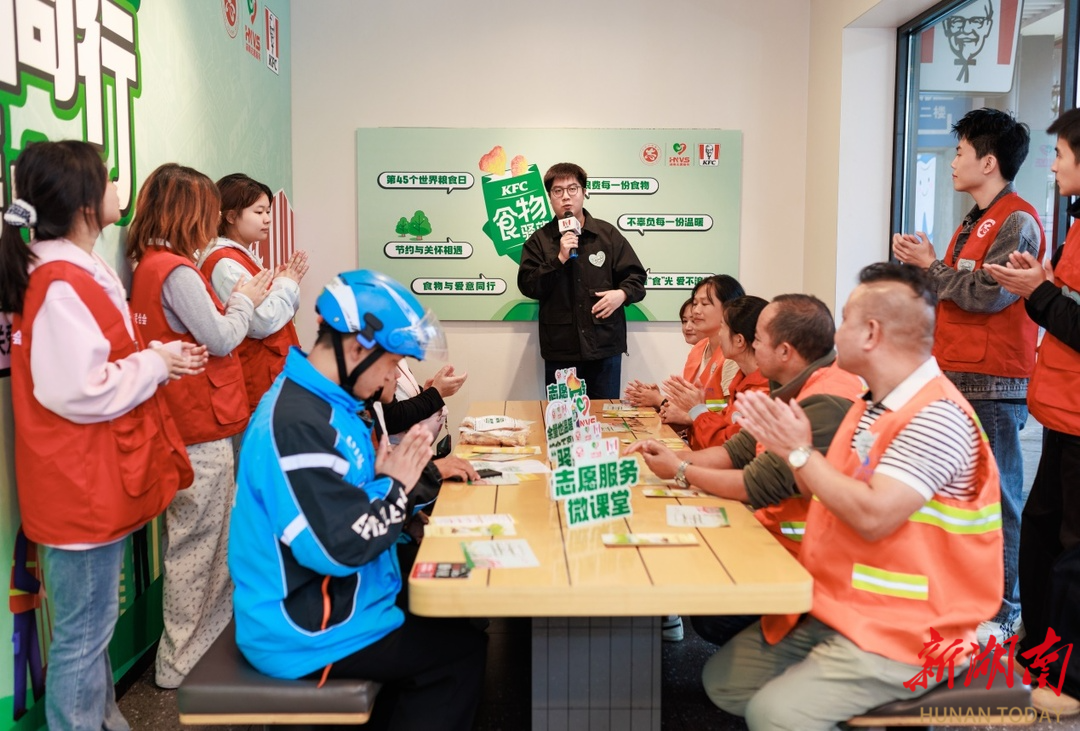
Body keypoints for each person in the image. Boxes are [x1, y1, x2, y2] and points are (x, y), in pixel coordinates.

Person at [703, 263, 1003, 730]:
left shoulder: (936, 416)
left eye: (844, 320)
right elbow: (823, 489)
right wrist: (793, 452)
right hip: (844, 608)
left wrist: (799, 454)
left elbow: (874, 516)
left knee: (772, 715)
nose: (833, 334)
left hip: (912, 630)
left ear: (871, 334)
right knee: (725, 684)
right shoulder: (871, 405)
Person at [0, 140, 201, 730]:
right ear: (86, 200)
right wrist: (155, 363)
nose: (119, 188)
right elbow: (78, 390)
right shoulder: (59, 281)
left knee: (90, 633)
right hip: (80, 485)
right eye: (110, 179)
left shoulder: (66, 270)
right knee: (83, 639)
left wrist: (154, 357)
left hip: (86, 478)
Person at [229, 270, 487, 730]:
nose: (392, 378)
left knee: (457, 619)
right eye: (393, 363)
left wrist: (400, 492)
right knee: (458, 655)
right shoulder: (297, 422)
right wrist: (397, 488)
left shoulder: (334, 407)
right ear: (358, 349)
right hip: (305, 628)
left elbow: (353, 496)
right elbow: (338, 546)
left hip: (346, 595)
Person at [627, 295, 862, 648]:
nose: (753, 345)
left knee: (710, 611)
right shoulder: (791, 384)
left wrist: (681, 469)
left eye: (759, 340)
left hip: (807, 564)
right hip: (775, 534)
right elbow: (735, 451)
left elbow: (755, 483)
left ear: (784, 351)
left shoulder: (824, 399)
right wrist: (667, 457)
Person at [893, 107, 1043, 647]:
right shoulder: (972, 220)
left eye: (959, 152)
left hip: (993, 382)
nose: (953, 161)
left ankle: (1004, 611)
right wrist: (928, 269)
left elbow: (989, 294)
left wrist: (932, 267)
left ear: (988, 161)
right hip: (955, 374)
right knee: (955, 497)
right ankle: (963, 599)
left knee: (999, 501)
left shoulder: (1018, 220)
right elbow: (956, 288)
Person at [128, 163, 271, 688]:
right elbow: (222, 337)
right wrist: (245, 300)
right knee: (200, 546)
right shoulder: (177, 271)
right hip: (199, 425)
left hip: (180, 421)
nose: (213, 222)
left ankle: (201, 650)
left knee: (201, 541)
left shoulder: (147, 266)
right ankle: (180, 661)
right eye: (209, 211)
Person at [985, 107, 1080, 717]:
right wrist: (1043, 282)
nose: (1054, 165)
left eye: (1063, 155)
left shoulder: (1019, 216)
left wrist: (1037, 293)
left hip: (1073, 416)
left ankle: (1069, 682)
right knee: (1044, 540)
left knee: (1071, 553)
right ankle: (1039, 655)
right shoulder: (1076, 224)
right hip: (1061, 413)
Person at [517, 162, 646, 398]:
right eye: (558, 191)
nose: (566, 197)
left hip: (605, 347)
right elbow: (528, 285)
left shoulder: (607, 235)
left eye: (572, 189)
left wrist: (621, 294)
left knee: (604, 415)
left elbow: (636, 278)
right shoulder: (539, 240)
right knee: (565, 418)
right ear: (550, 197)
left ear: (584, 192)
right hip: (561, 351)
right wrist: (559, 259)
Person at [200, 173, 309, 411]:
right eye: (259, 212)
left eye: (268, 211)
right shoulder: (224, 262)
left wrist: (282, 283)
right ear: (230, 216)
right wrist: (286, 284)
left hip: (269, 378)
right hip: (256, 383)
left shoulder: (238, 256)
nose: (267, 219)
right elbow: (261, 322)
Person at [665, 295, 770, 449]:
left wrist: (697, 409)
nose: (719, 335)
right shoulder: (740, 381)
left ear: (739, 340)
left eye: (723, 328)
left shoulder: (763, 393)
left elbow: (727, 448)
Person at [657, 275, 744, 431]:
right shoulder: (699, 347)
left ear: (729, 308)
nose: (696, 311)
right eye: (695, 303)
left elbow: (730, 420)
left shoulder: (733, 356)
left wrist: (686, 417)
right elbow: (687, 404)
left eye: (704, 304)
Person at [624, 297, 701, 409]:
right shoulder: (695, 354)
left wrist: (658, 400)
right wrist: (656, 397)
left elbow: (701, 411)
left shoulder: (719, 358)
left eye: (694, 321)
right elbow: (682, 407)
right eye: (684, 321)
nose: (687, 327)